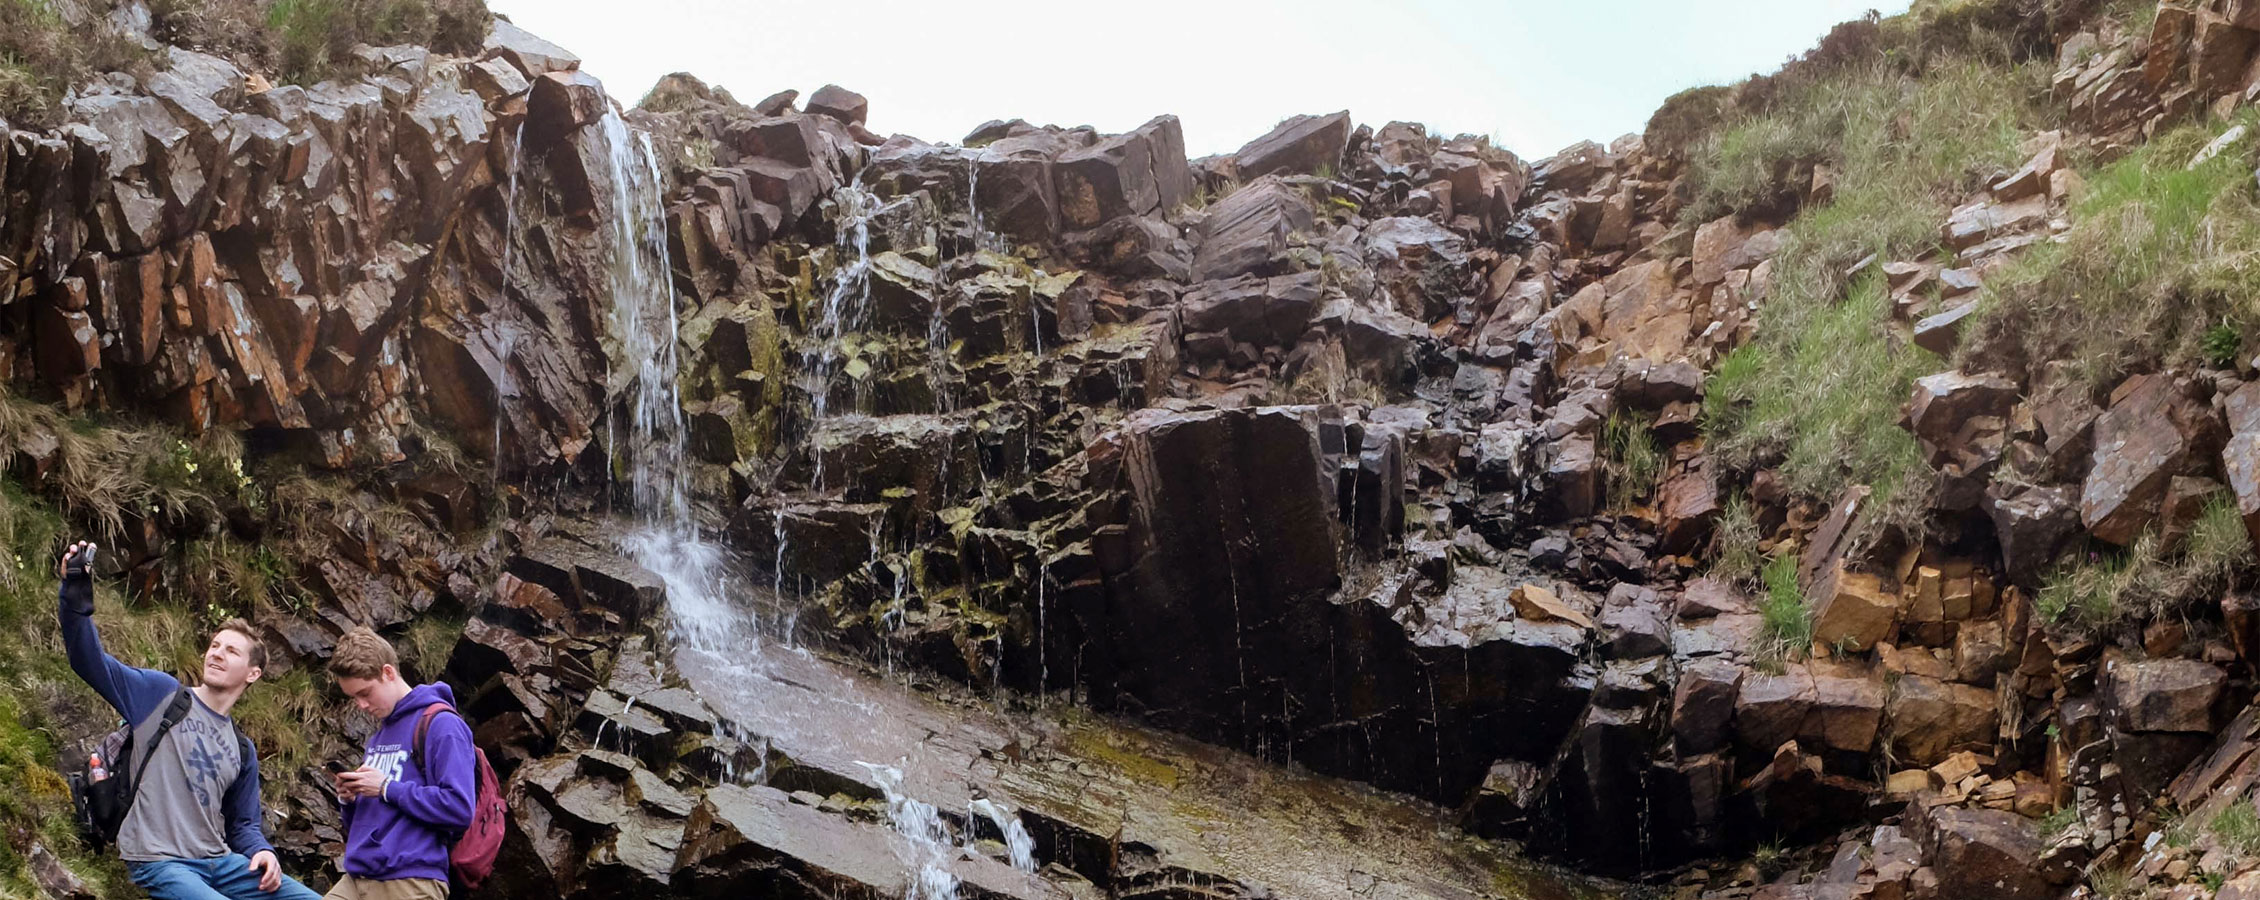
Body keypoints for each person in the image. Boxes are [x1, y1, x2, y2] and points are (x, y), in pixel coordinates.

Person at [55, 540, 321, 900]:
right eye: (214, 645)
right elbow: (89, 662)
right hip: (160, 860)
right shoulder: (160, 694)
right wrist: (75, 600)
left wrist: (263, 852)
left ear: (253, 673)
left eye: (231, 651)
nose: (217, 654)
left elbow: (243, 824)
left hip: (221, 865)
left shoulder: (242, 749)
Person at [324, 626, 474, 900]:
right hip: (357, 878)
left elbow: (460, 807)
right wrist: (349, 800)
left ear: (388, 672)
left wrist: (386, 788)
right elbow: (365, 820)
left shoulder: (442, 725)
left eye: (365, 693)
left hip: (410, 881)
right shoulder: (379, 736)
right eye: (353, 697)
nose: (361, 705)